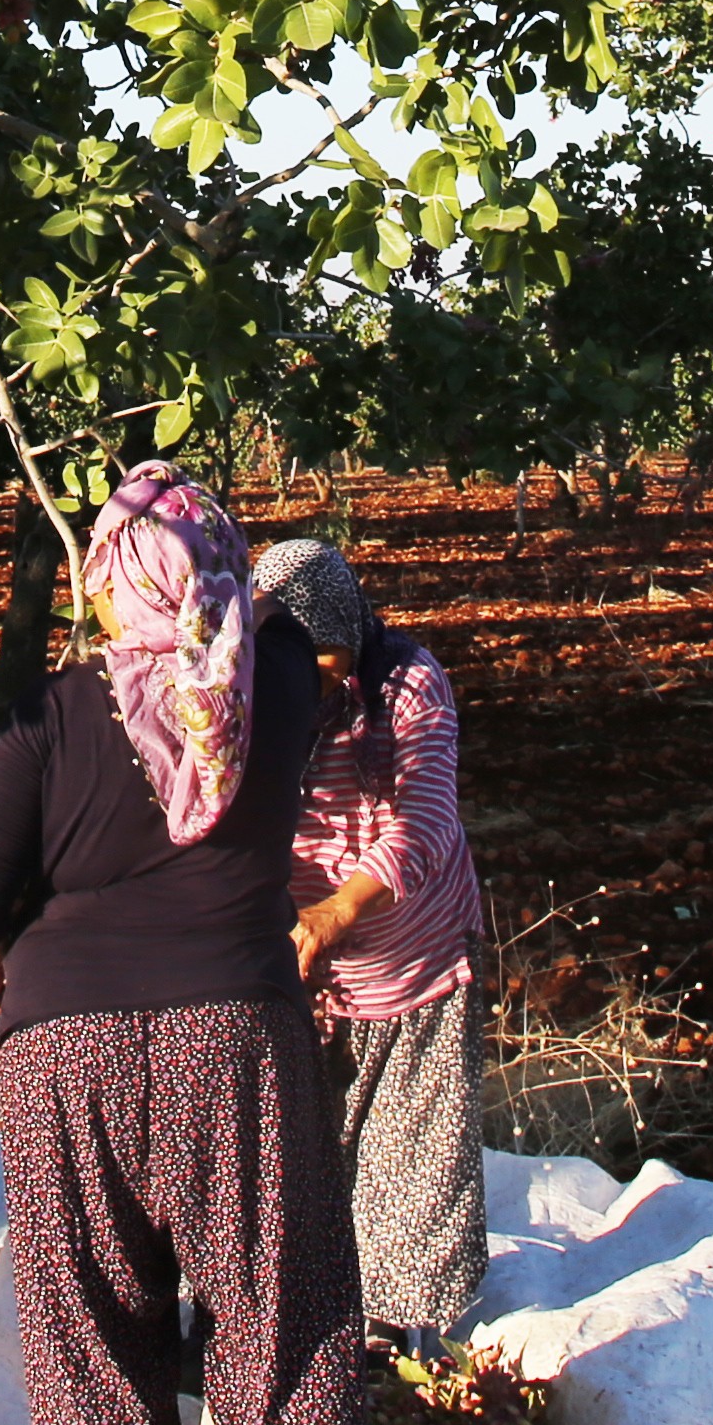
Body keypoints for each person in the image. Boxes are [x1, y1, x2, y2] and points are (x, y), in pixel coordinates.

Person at [0, 462, 379, 1425]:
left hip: (63, 1043)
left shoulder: (56, 711)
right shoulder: (276, 685)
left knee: (85, 1292)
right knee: (279, 1282)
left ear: (100, 583)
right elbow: (290, 603)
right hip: (233, 1027)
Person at [256, 534, 488, 1347]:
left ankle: (396, 1332)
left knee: (410, 1152)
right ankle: (302, 1314)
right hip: (303, 962)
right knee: (306, 1146)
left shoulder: (408, 683)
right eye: (295, 653)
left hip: (411, 949)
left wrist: (335, 912)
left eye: (326, 654)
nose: (312, 673)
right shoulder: (252, 685)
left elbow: (425, 822)